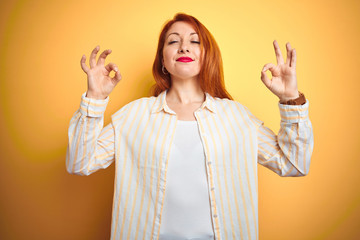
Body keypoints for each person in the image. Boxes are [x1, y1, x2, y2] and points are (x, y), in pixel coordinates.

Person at [66, 13, 313, 240]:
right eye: (173, 41)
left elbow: (293, 164)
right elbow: (80, 162)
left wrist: (290, 97)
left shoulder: (236, 117)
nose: (184, 46)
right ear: (162, 59)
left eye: (194, 41)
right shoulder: (133, 116)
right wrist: (95, 97)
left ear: (207, 55)